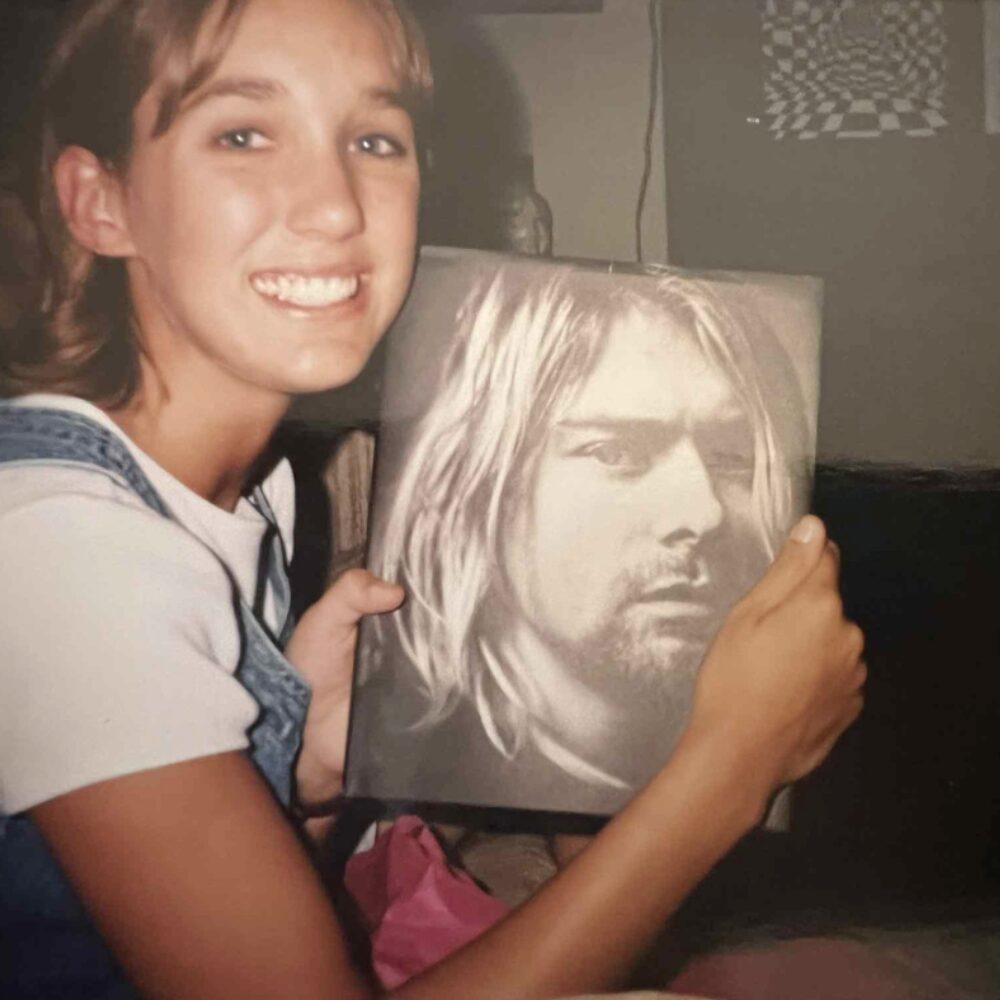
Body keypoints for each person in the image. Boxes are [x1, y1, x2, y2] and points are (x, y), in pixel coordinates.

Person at [0, 0, 864, 996]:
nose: (333, 205)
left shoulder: (254, 495)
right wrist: (728, 768)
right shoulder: (64, 549)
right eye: (242, 133)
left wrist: (306, 774)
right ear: (99, 201)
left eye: (374, 139)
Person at [357, 267, 812, 813]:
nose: (706, 512)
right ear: (473, 488)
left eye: (731, 457)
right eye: (616, 453)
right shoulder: (396, 780)